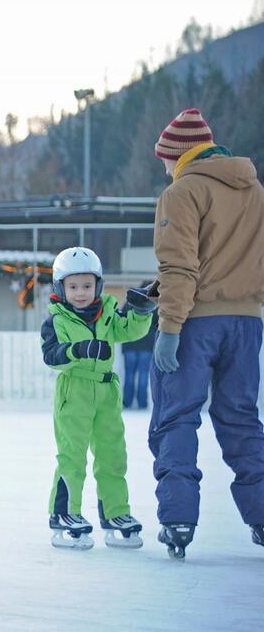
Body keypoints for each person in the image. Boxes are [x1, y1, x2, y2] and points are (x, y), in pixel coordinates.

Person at [148, 108, 264, 558]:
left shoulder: (183, 191)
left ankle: (178, 517)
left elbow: (180, 265)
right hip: (247, 323)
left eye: (164, 157)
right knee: (241, 419)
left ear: (178, 153)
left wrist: (170, 326)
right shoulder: (255, 190)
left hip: (195, 323)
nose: (162, 166)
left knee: (177, 415)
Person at [40, 247, 155, 551]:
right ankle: (65, 513)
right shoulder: (56, 319)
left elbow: (129, 330)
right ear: (60, 288)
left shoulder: (107, 313)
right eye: (73, 286)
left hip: (106, 393)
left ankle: (115, 513)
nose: (81, 293)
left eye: (87, 286)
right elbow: (51, 355)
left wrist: (141, 311)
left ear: (98, 286)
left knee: (112, 456)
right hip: (73, 391)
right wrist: (80, 351)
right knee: (72, 456)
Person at [121, 281, 157, 409]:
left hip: (130, 344)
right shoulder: (153, 304)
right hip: (147, 345)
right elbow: (157, 324)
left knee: (129, 374)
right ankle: (142, 403)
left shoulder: (131, 301)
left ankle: (127, 402)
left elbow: (122, 318)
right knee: (143, 373)